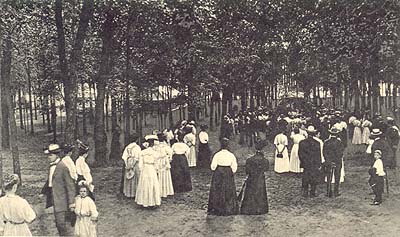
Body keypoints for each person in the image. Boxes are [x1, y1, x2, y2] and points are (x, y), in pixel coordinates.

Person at [43, 144, 76, 236]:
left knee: (62, 224)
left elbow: (70, 186)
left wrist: (71, 203)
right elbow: (50, 181)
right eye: (48, 155)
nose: (49, 157)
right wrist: (44, 192)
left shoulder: (63, 167)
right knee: (58, 224)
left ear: (56, 155)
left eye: (51, 155)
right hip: (54, 198)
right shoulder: (51, 166)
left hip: (62, 200)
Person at [208, 138, 239, 216]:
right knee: (228, 190)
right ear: (228, 145)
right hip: (228, 173)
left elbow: (213, 167)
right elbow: (234, 168)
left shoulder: (217, 155)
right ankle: (228, 208)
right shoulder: (231, 155)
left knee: (217, 190)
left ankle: (217, 208)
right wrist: (230, 172)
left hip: (219, 173)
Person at [239, 140, 269, 215]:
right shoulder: (265, 160)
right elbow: (266, 169)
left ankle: (249, 209)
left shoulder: (249, 160)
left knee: (250, 193)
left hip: (251, 178)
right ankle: (260, 209)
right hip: (260, 179)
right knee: (260, 193)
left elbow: (247, 171)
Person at [135, 135, 161, 207]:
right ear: (152, 144)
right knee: (153, 183)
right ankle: (153, 202)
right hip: (151, 168)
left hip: (145, 168)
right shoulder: (155, 153)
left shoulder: (142, 152)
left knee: (144, 183)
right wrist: (157, 170)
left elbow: (140, 164)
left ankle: (143, 201)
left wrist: (141, 170)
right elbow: (156, 164)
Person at [298, 126, 322, 198]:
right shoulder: (317, 143)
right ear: (314, 133)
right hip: (314, 163)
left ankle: (305, 192)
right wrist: (319, 163)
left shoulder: (302, 142)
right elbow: (318, 154)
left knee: (305, 176)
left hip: (306, 163)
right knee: (313, 177)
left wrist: (303, 161)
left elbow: (300, 154)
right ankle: (312, 192)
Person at [323, 127, 345, 197]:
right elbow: (341, 153)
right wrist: (336, 160)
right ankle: (336, 191)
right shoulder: (339, 142)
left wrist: (329, 160)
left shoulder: (326, 142)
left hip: (329, 161)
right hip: (337, 162)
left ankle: (328, 192)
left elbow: (324, 153)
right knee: (337, 177)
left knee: (329, 176)